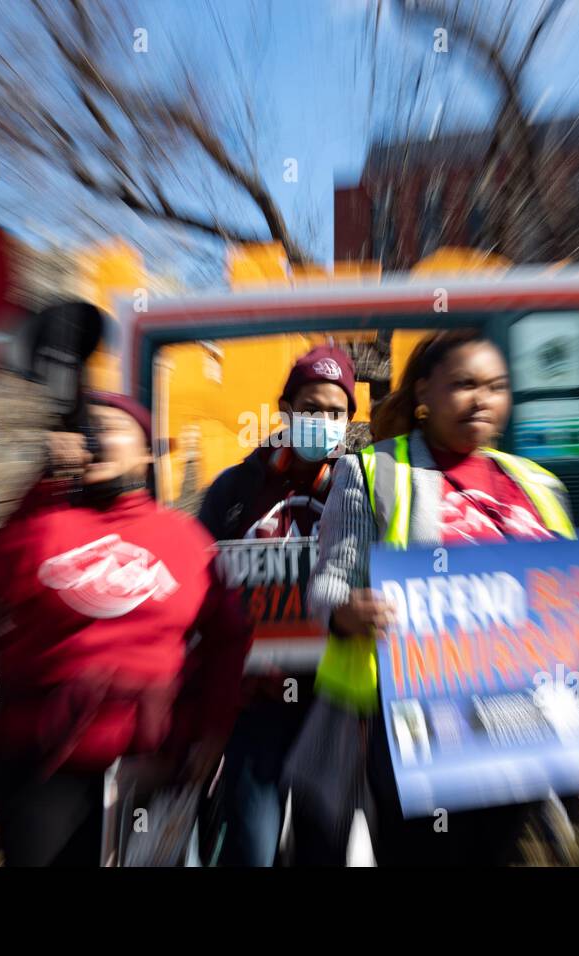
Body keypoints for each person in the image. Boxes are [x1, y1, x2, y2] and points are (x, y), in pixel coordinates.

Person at [291, 328, 577, 865]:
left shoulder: (539, 485)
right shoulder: (372, 471)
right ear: (423, 394)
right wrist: (348, 611)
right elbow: (326, 586)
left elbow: (575, 600)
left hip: (525, 721)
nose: (481, 398)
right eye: (464, 384)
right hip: (418, 730)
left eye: (495, 386)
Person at [0, 392, 252, 866]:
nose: (94, 438)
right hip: (46, 763)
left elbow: (229, 638)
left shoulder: (185, 539)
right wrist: (44, 482)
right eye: (86, 429)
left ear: (146, 453)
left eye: (110, 427)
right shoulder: (46, 524)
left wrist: (214, 730)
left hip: (149, 762)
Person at [197, 345, 357, 866]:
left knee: (324, 847)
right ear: (285, 409)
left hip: (334, 701)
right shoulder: (235, 488)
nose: (322, 421)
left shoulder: (368, 488)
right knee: (250, 845)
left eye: (335, 413)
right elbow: (198, 581)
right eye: (310, 408)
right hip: (256, 699)